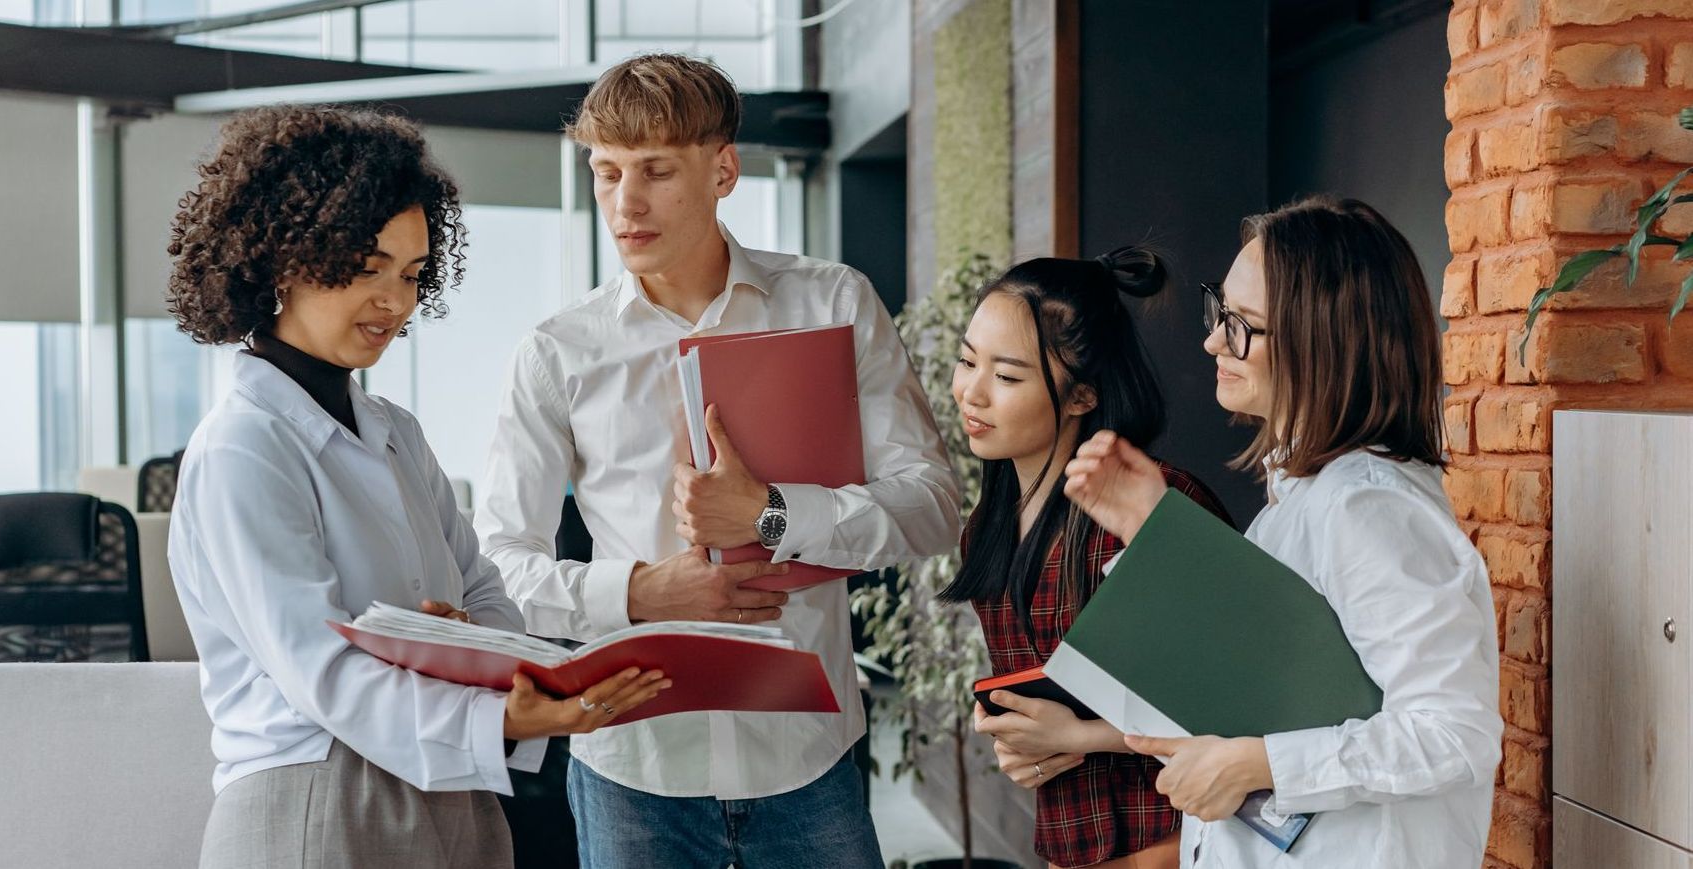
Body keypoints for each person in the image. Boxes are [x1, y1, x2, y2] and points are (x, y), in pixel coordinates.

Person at [474, 53, 960, 869]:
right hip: (633, 764)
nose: (625, 203)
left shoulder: (834, 302)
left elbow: (933, 504)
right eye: (606, 173)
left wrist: (772, 512)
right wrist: (639, 589)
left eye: (657, 171)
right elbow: (498, 565)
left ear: (723, 170)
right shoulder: (557, 353)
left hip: (808, 754)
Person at [165, 106, 667, 869]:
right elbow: (320, 669)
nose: (395, 303)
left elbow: (485, 594)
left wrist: (472, 653)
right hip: (315, 800)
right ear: (281, 260)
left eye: (410, 274)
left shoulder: (396, 429)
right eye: (366, 268)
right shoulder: (244, 444)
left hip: (451, 794)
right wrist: (489, 702)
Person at [1062, 197, 1503, 868]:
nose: (1213, 341)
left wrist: (1253, 762)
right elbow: (1278, 680)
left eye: (1241, 326)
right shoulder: (1305, 497)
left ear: (1320, 339)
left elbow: (1453, 731)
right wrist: (1155, 535)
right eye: (1220, 312)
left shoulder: (1368, 509)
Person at [939, 249, 1231, 869]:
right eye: (968, 362)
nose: (972, 392)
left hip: (1182, 846)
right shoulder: (984, 532)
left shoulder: (1159, 505)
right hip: (1069, 849)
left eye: (1008, 377)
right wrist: (1016, 735)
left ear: (1082, 397)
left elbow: (1237, 706)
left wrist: (1077, 737)